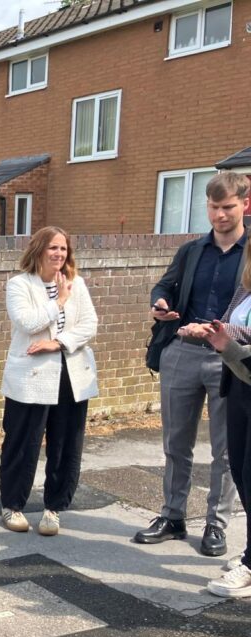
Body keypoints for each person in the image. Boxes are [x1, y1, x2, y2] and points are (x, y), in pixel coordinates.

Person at [135, 171, 248, 556]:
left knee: (227, 449)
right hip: (182, 350)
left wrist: (226, 332)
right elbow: (165, 286)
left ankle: (216, 526)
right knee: (175, 442)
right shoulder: (190, 251)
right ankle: (172, 516)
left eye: (228, 207)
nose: (220, 215)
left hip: (228, 357)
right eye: (214, 207)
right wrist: (161, 304)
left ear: (245, 205)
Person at [0, 226, 99, 536]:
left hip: (72, 375)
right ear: (39, 250)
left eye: (63, 249)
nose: (59, 254)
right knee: (22, 442)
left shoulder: (76, 283)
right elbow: (28, 322)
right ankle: (12, 505)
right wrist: (58, 302)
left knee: (66, 444)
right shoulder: (19, 284)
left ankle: (53, 509)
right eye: (53, 248)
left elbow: (89, 324)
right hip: (31, 377)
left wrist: (58, 343)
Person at [183, 239, 251, 597]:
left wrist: (226, 339)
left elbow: (237, 335)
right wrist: (210, 331)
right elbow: (229, 324)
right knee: (240, 470)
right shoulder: (245, 287)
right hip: (239, 384)